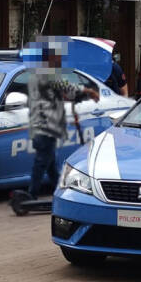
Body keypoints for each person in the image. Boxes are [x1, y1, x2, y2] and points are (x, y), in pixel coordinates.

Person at [26, 44, 100, 198]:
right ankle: (31, 195)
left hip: (43, 125)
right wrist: (89, 91)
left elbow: (59, 93)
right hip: (45, 126)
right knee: (42, 162)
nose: (60, 61)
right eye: (57, 58)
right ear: (50, 59)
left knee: (50, 164)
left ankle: (59, 192)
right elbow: (67, 88)